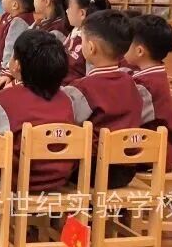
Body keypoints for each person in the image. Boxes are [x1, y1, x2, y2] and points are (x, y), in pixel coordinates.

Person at [61, 10, 145, 189]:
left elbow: (66, 120)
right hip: (126, 168)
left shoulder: (83, 88)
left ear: (91, 48)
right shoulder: (133, 83)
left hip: (91, 170)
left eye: (82, 40)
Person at [0, 31, 75, 192]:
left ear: (17, 65)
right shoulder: (67, 99)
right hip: (58, 180)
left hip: (16, 182)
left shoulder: (6, 99)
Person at [127, 14, 172, 172]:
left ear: (139, 51)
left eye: (126, 42)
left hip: (160, 153)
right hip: (157, 145)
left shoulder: (146, 85)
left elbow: (128, 118)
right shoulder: (154, 74)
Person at [63, 0, 111, 84]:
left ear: (82, 13)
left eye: (69, 7)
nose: (66, 11)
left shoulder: (92, 42)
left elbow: (91, 80)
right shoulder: (75, 31)